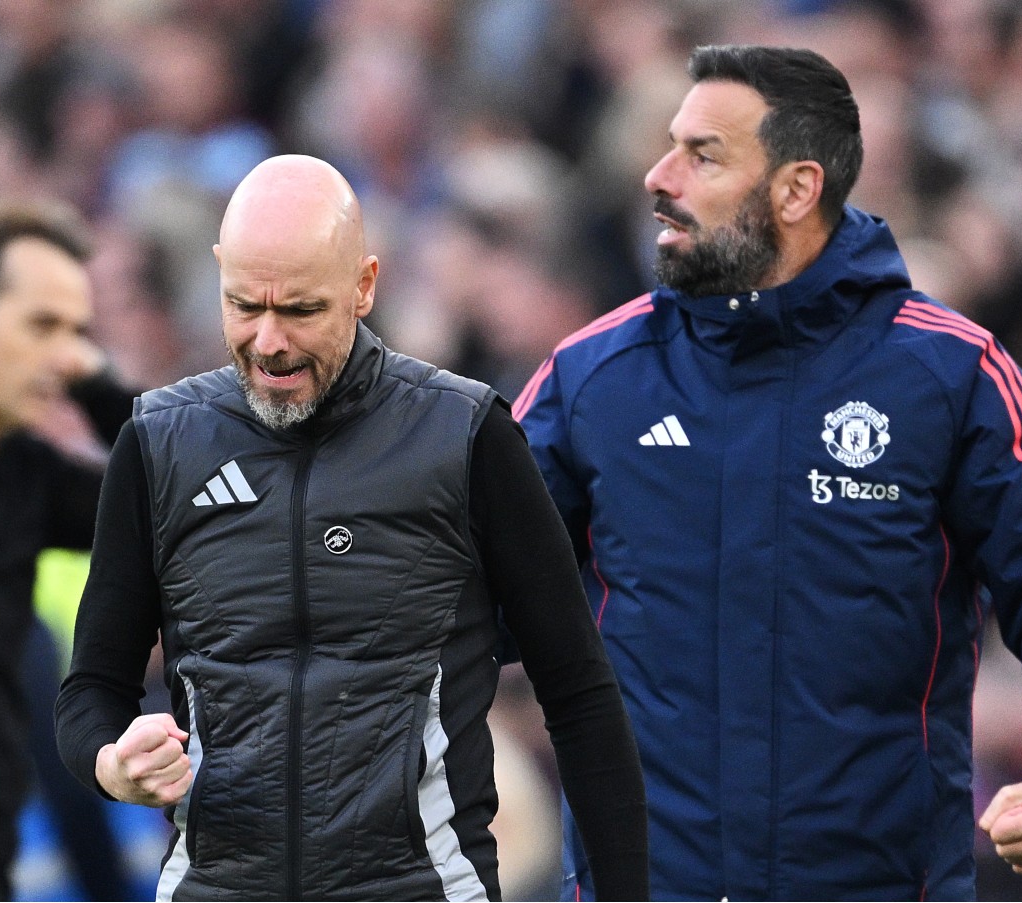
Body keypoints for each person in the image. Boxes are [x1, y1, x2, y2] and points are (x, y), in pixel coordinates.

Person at [513, 45, 1022, 901]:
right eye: (669, 144)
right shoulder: (591, 376)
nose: (658, 176)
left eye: (703, 155)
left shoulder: (952, 374)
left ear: (797, 189)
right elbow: (464, 584)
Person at [55, 154, 649, 902]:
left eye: (301, 310)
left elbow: (581, 693)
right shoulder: (157, 442)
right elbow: (90, 691)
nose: (268, 340)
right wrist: (113, 762)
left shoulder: (464, 436)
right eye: (244, 305)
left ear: (365, 284)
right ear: (216, 275)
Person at [0, 199, 137, 900]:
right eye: (42, 325)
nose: (64, 355)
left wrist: (98, 384)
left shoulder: (27, 477)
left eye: (79, 333)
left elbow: (189, 489)